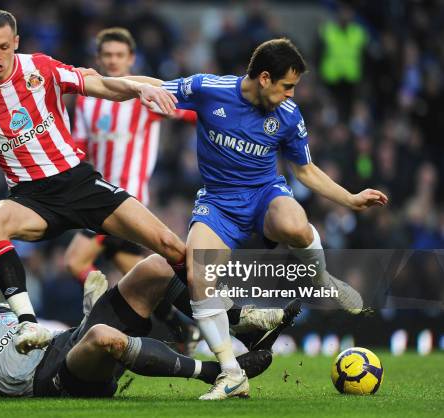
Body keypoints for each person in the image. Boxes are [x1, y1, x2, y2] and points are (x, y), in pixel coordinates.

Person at [102, 38, 388, 399]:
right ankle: (231, 372)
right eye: (288, 86)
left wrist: (350, 198)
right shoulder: (210, 89)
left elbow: (305, 170)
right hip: (219, 203)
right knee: (197, 273)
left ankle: (321, 278)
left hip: (264, 196)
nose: (291, 94)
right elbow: (157, 86)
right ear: (265, 78)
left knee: (294, 224)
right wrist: (123, 85)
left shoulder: (288, 115)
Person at [0, 9, 187, 356]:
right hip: (30, 197)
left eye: (4, 47)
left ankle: (226, 321)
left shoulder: (41, 67)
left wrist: (136, 88)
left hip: (78, 182)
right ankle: (27, 323)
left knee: (170, 246)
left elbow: (97, 84)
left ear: (16, 44)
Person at [0, 244, 284, 401]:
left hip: (65, 342)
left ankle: (238, 322)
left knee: (156, 266)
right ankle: (217, 372)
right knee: (101, 336)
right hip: (49, 379)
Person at [65, 27, 198, 349]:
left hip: (125, 197)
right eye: (107, 55)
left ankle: (101, 312)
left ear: (131, 59)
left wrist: (226, 117)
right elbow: (79, 148)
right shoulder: (87, 100)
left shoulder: (144, 95)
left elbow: (189, 112)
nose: (112, 61)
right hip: (96, 195)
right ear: (98, 58)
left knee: (75, 262)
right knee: (141, 274)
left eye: (119, 55)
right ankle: (186, 326)